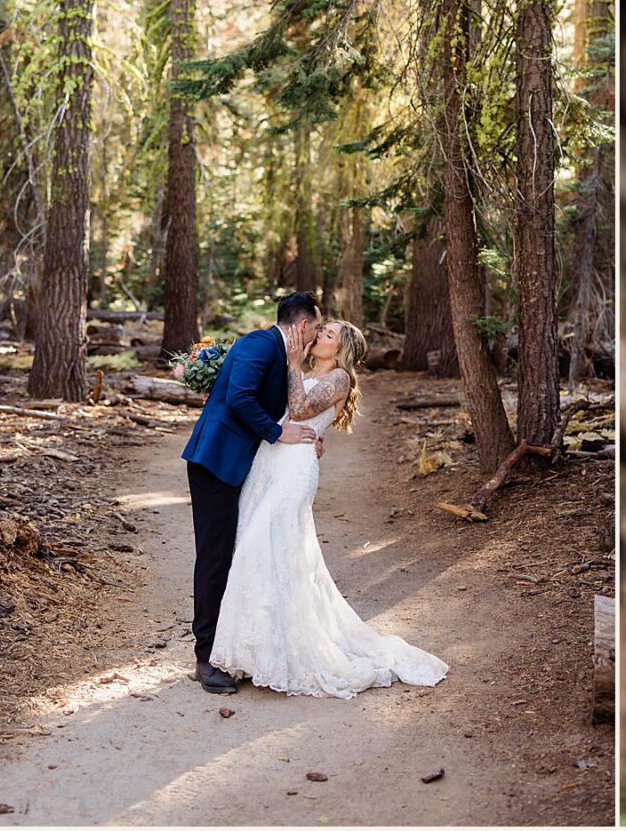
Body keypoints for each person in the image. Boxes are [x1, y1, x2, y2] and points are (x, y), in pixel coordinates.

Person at [209, 317, 448, 698]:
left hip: (293, 470)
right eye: (321, 330)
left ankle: (285, 654)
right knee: (258, 552)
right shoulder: (302, 369)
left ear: (340, 348)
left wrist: (291, 365)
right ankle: (253, 654)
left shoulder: (339, 379)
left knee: (270, 548)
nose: (319, 335)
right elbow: (278, 410)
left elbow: (301, 409)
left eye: (329, 334)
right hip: (268, 464)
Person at [181, 292, 325, 695]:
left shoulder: (278, 354)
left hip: (238, 465)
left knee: (235, 553)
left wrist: (304, 437)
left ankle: (230, 647)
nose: (316, 335)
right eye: (316, 327)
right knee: (214, 556)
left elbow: (270, 405)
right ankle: (205, 657)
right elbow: (240, 397)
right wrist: (280, 433)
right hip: (215, 462)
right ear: (302, 326)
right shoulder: (259, 344)